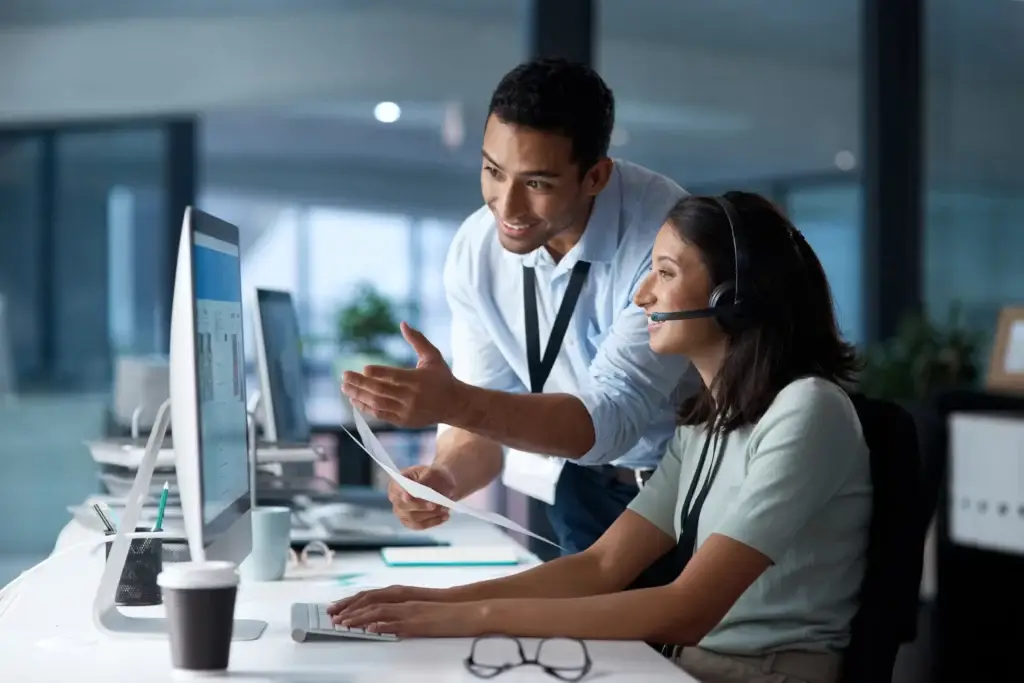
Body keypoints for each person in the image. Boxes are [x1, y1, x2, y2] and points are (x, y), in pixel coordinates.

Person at [328, 192, 871, 683]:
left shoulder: (807, 410)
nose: (642, 296)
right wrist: (432, 602)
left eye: (663, 272)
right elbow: (602, 565)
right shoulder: (706, 422)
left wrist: (466, 619)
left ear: (733, 297)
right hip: (689, 667)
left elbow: (689, 608)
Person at [340, 57, 698, 565]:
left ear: (594, 177)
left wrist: (452, 402)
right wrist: (444, 478)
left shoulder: (665, 238)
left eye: (537, 184)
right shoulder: (476, 250)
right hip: (583, 487)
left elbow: (612, 421)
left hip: (685, 497)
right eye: (492, 171)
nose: (506, 208)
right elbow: (485, 419)